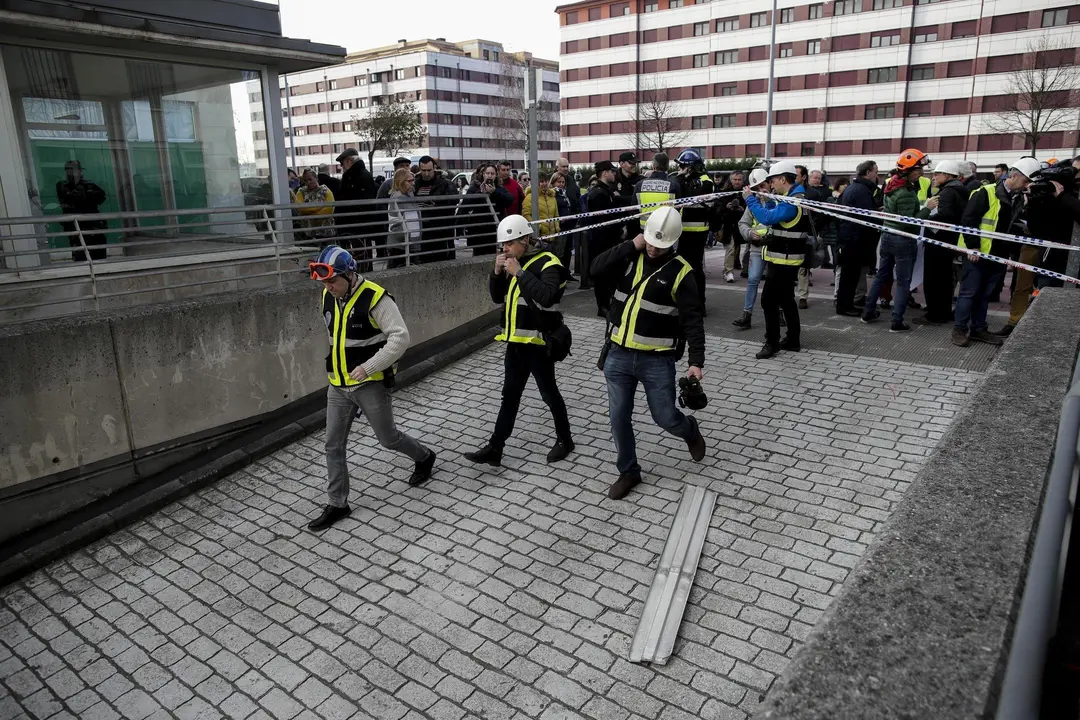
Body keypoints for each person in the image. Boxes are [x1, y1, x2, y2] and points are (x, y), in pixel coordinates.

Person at [306, 245, 436, 531]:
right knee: (333, 444)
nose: (328, 287)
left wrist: (369, 367)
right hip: (338, 385)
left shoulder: (376, 298)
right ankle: (338, 504)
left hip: (369, 384)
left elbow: (400, 339)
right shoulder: (328, 295)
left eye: (332, 281)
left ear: (350, 275)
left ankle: (425, 456)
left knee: (388, 439)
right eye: (324, 282)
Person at [591, 206, 706, 500]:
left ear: (674, 241)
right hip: (617, 354)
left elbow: (693, 321)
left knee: (665, 417)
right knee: (618, 417)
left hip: (656, 359)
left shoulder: (683, 273)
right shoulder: (630, 257)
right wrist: (632, 244)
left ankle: (689, 430)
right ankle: (629, 471)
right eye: (651, 241)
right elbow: (595, 269)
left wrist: (696, 362)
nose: (654, 249)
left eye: (661, 244)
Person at [464, 215, 573, 467]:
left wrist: (520, 273)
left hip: (538, 345)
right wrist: (497, 272)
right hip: (516, 343)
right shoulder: (516, 262)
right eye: (502, 244)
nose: (504, 248)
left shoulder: (549, 262)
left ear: (525, 239)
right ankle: (495, 447)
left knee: (549, 394)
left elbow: (547, 296)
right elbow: (497, 297)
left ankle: (565, 440)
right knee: (509, 396)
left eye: (509, 243)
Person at [952, 158, 1038, 347]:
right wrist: (973, 247)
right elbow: (969, 220)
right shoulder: (986, 192)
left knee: (984, 294)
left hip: (997, 255)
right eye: (1025, 181)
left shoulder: (1017, 198)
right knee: (969, 293)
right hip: (978, 253)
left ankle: (978, 329)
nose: (1026, 186)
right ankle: (960, 329)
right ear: (1014, 176)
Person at [860, 149, 935, 331]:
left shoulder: (891, 185)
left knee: (881, 276)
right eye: (919, 170)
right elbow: (910, 222)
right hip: (903, 240)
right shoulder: (906, 193)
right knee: (903, 282)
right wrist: (928, 208)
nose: (921, 173)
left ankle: (868, 312)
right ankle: (897, 321)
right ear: (909, 171)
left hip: (888, 236)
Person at [745, 160, 809, 359]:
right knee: (787, 300)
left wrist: (751, 199)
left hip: (784, 261)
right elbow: (777, 213)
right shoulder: (792, 197)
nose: (771, 185)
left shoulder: (793, 202)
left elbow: (766, 218)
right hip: (784, 259)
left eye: (772, 180)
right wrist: (768, 198)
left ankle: (772, 343)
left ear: (783, 179)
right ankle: (792, 340)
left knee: (768, 301)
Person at [912, 160, 966, 326]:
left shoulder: (948, 192)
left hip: (938, 242)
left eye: (937, 174)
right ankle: (943, 311)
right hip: (949, 241)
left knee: (934, 279)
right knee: (944, 279)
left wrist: (926, 219)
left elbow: (944, 216)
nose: (934, 177)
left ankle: (934, 314)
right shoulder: (961, 190)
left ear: (947, 175)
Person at [674, 149, 715, 313]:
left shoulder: (705, 181)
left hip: (697, 231)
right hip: (684, 230)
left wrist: (681, 178)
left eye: (681, 166)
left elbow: (688, 195)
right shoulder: (684, 180)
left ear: (689, 167)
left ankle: (699, 304)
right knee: (682, 266)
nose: (679, 169)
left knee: (695, 269)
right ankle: (685, 300)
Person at [586, 160, 628, 317]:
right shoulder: (599, 194)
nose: (614, 174)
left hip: (608, 240)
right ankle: (603, 306)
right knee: (603, 274)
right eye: (612, 171)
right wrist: (619, 228)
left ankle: (607, 303)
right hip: (602, 241)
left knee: (610, 273)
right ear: (604, 173)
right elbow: (605, 220)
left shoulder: (605, 191)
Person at [732, 168, 771, 330]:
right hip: (757, 247)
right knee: (753, 280)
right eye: (757, 187)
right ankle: (746, 314)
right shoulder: (753, 202)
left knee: (776, 283)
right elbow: (743, 223)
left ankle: (780, 312)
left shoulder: (778, 200)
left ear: (770, 183)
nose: (761, 189)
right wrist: (749, 233)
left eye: (763, 185)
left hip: (774, 247)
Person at [56, 160, 108, 262]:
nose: (74, 173)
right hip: (76, 227)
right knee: (81, 255)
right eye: (71, 170)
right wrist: (86, 196)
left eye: (76, 170)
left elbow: (101, 197)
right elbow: (72, 199)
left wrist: (86, 195)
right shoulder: (63, 185)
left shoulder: (88, 184)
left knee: (99, 253)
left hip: (93, 226)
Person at [412, 156, 458, 263]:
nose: (427, 173)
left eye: (429, 170)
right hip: (421, 233)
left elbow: (453, 204)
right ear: (420, 169)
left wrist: (436, 206)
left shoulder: (445, 184)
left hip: (441, 234)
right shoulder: (415, 184)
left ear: (434, 168)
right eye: (423, 170)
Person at [461, 163, 512, 255]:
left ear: (496, 175)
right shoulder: (475, 187)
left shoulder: (499, 188)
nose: (490, 176)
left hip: (494, 227)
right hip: (478, 228)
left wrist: (494, 192)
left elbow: (509, 200)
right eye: (487, 173)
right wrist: (481, 193)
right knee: (478, 254)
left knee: (493, 253)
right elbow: (466, 203)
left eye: (492, 174)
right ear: (483, 174)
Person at [798, 169, 832, 308]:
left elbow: (823, 214)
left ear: (803, 177)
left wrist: (814, 227)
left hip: (807, 235)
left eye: (796, 175)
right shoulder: (786, 192)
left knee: (803, 266)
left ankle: (802, 296)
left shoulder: (814, 194)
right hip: (789, 234)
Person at [634, 152, 682, 235]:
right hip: (665, 230)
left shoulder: (640, 185)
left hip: (646, 230)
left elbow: (634, 209)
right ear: (667, 167)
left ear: (653, 165)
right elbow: (678, 209)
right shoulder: (674, 185)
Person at [386, 168, 419, 267]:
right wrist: (408, 236)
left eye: (413, 180)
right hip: (400, 246)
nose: (413, 183)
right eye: (409, 181)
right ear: (400, 182)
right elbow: (394, 223)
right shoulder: (397, 198)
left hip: (411, 245)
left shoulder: (410, 196)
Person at [295, 169, 336, 243]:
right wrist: (319, 208)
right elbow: (300, 208)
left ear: (316, 178)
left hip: (326, 232)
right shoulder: (301, 192)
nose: (308, 182)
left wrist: (308, 213)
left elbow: (329, 210)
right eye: (305, 180)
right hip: (308, 233)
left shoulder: (325, 191)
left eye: (310, 179)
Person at [720, 171, 746, 282]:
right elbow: (718, 208)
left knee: (738, 248)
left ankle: (744, 268)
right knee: (730, 248)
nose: (737, 182)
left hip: (742, 225)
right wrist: (726, 207)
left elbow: (752, 206)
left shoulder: (747, 192)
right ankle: (728, 271)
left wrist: (742, 209)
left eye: (739, 179)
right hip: (728, 224)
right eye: (735, 179)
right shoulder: (724, 192)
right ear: (731, 180)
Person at [523, 173, 560, 239]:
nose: (545, 183)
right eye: (542, 181)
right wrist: (539, 228)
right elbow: (526, 216)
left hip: (553, 237)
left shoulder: (552, 197)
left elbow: (556, 215)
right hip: (538, 238)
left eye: (546, 181)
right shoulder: (529, 197)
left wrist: (556, 228)